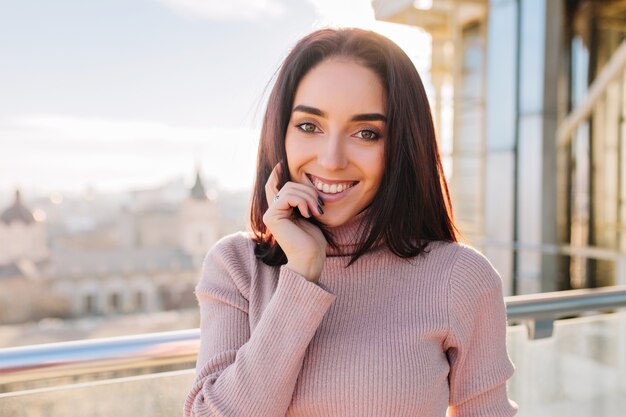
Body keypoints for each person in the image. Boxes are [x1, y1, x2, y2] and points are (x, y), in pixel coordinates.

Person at [184, 28, 518, 417]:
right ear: (281, 132)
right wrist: (301, 277)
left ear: (401, 147)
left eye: (366, 133)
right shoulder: (236, 267)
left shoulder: (460, 277)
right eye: (310, 126)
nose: (331, 159)